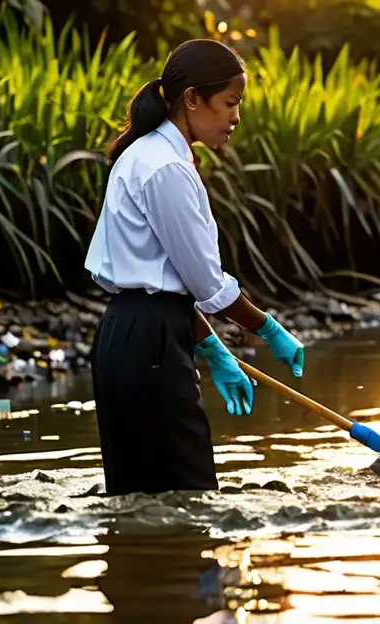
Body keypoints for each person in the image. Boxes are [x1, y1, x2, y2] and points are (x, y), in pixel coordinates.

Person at [84, 38, 305, 497]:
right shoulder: (164, 166)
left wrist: (212, 348)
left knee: (139, 497)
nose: (236, 117)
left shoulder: (149, 154)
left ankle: (152, 569)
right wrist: (267, 328)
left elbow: (171, 282)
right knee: (188, 493)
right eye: (230, 102)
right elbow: (205, 283)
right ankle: (186, 569)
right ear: (191, 99)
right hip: (149, 341)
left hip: (133, 333)